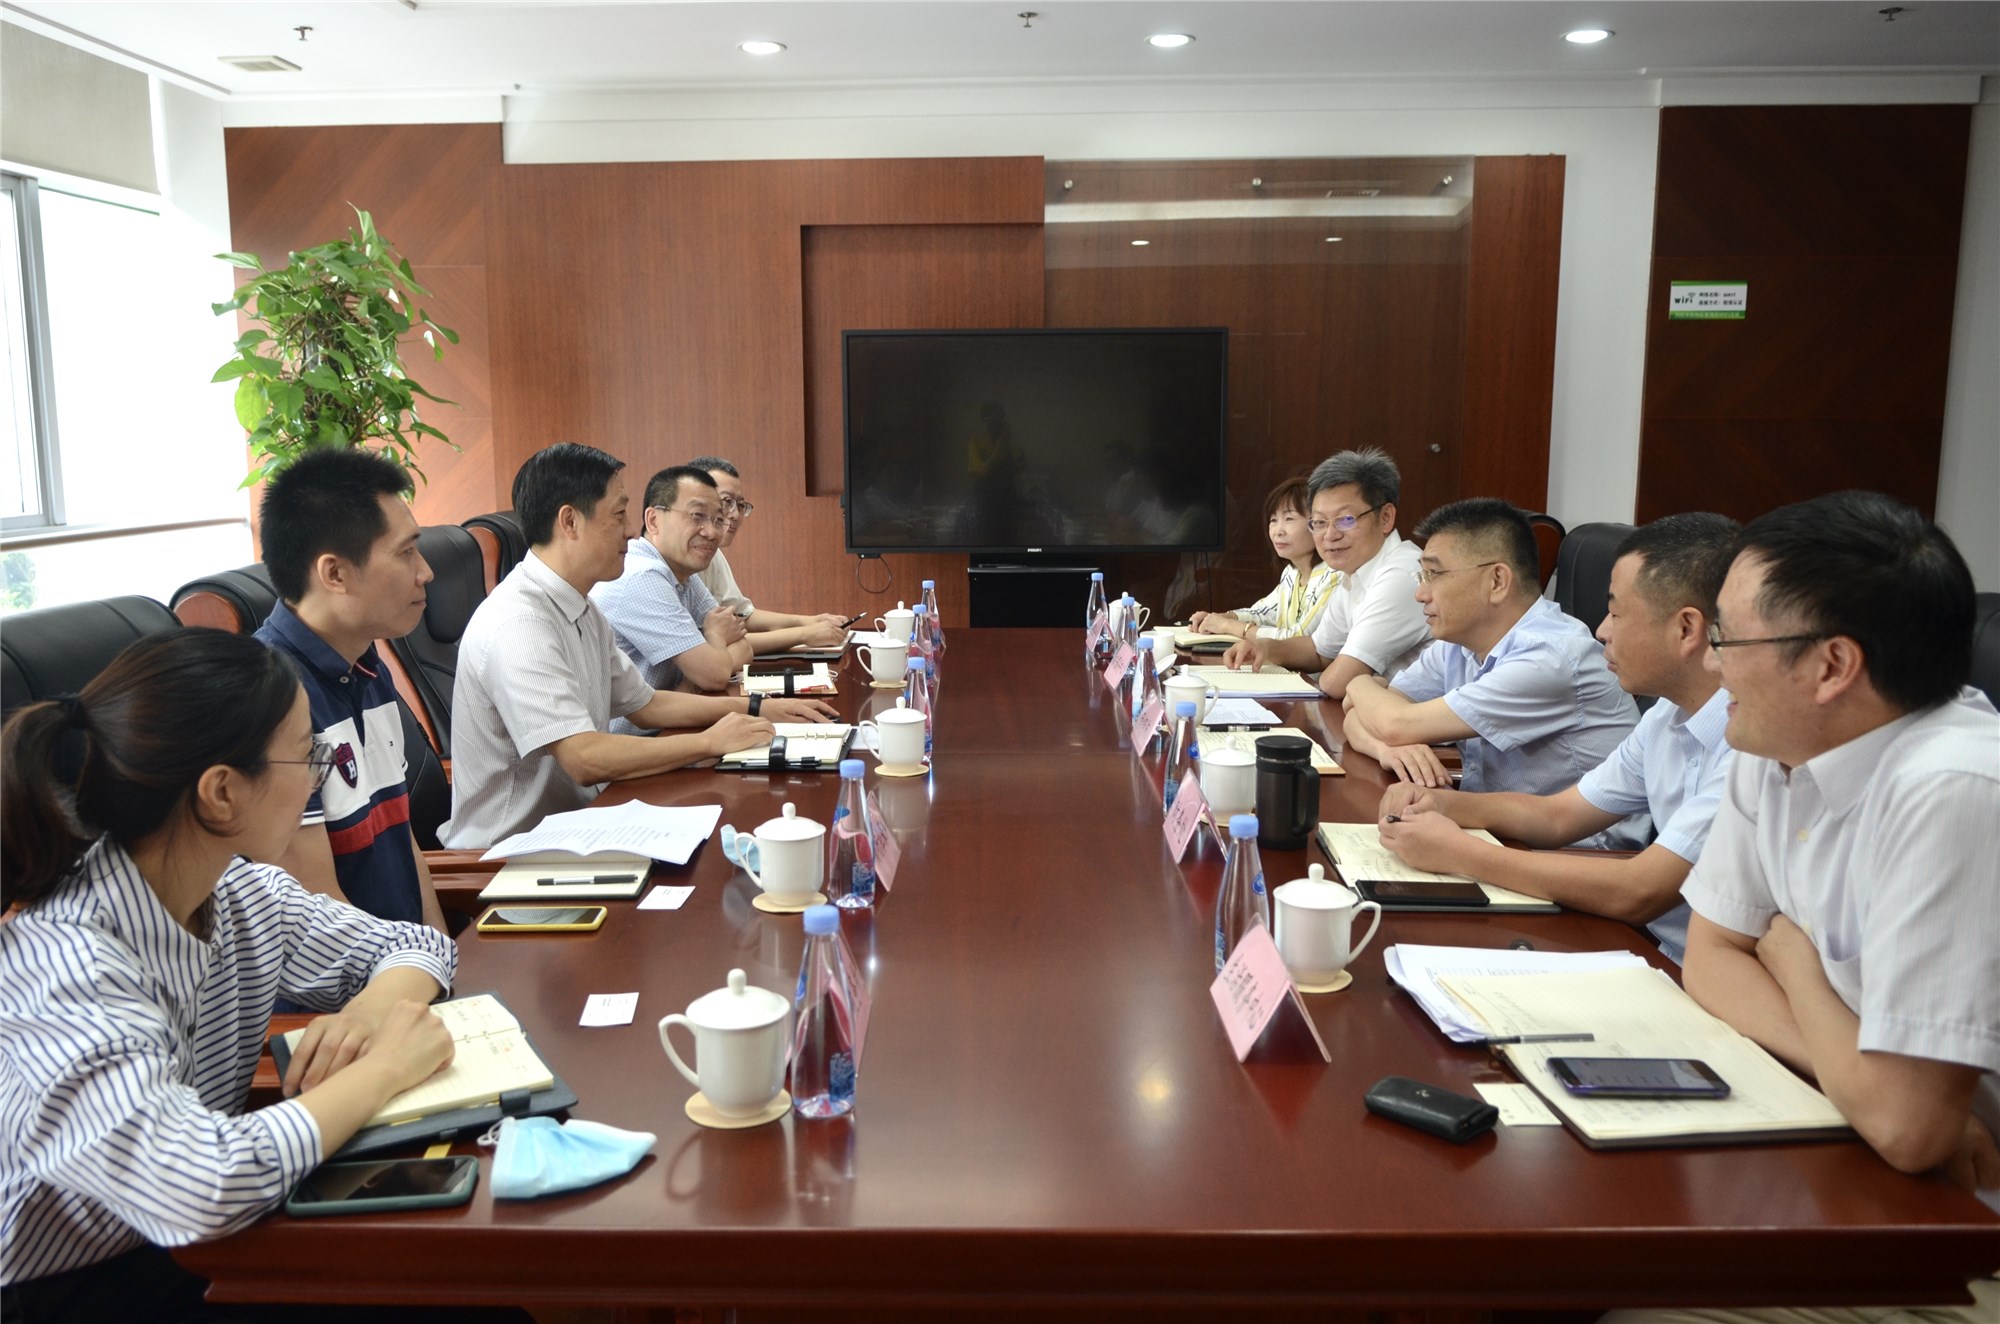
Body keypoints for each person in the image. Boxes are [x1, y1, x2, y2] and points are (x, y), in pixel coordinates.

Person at [0, 628, 513, 1324]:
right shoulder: (64, 966)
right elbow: (200, 1185)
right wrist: (385, 1066)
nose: (319, 776)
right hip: (73, 1283)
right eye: (308, 754)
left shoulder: (236, 890)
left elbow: (414, 946)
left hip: (193, 1237)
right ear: (221, 793)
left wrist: (369, 1015)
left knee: (461, 1294)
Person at [1604, 492, 1999, 1323]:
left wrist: (1793, 963)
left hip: (1956, 1240)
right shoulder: (1773, 739)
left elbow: (1911, 1131)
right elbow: (1711, 959)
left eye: (1728, 640)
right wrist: (1856, 1073)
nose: (1712, 665)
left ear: (1831, 666)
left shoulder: (1954, 788)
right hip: (1843, 1147)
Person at [1376, 513, 1739, 962]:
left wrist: (1461, 853)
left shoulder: (1749, 745)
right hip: (1660, 949)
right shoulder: (1667, 713)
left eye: (1617, 613)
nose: (1602, 630)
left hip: (1672, 956)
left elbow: (1640, 891)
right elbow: (1558, 815)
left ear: (1685, 629)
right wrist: (1443, 804)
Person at [441, 444, 836, 849]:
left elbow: (646, 704)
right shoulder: (518, 624)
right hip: (511, 853)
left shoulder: (581, 607)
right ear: (570, 521)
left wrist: (757, 709)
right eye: (618, 514)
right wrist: (711, 741)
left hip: (580, 823)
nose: (630, 530)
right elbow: (583, 758)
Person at [253, 446, 445, 930]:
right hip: (351, 975)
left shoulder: (367, 664)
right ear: (334, 573)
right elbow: (321, 910)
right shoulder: (268, 702)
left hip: (409, 961)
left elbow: (405, 846)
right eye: (406, 552)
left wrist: (446, 960)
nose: (425, 571)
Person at [1343, 497, 1638, 806]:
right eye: (1422, 576)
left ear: (1497, 581)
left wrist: (1359, 684)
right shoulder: (1458, 644)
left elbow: (1393, 723)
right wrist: (1386, 749)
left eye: (1434, 574)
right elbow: (1361, 718)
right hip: (1492, 821)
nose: (1420, 594)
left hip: (1575, 837)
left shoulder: (1549, 658)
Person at [1223, 447, 1429, 700]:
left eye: (1346, 520)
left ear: (1385, 517)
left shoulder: (1402, 575)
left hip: (1419, 720)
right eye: (1320, 522)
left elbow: (1336, 683)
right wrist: (1265, 647)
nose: (1330, 535)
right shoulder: (1354, 572)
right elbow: (1319, 651)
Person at [592, 464, 750, 708]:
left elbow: (744, 647)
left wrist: (692, 682)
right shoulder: (641, 576)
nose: (711, 532)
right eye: (697, 516)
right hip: (642, 730)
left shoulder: (682, 572)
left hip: (672, 719)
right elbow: (714, 675)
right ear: (653, 520)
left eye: (718, 520)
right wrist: (715, 636)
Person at [690, 456, 852, 654]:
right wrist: (804, 633)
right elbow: (712, 644)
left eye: (740, 505)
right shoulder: (663, 569)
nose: (735, 515)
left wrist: (809, 622)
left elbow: (741, 617)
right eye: (726, 502)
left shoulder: (712, 552)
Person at [1186, 475, 1336, 643]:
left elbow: (1298, 639)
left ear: (1317, 524)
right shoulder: (1291, 573)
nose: (1278, 531)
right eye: (1273, 520)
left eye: (1289, 519)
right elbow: (1262, 613)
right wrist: (1218, 618)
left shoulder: (1332, 576)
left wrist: (1228, 626)